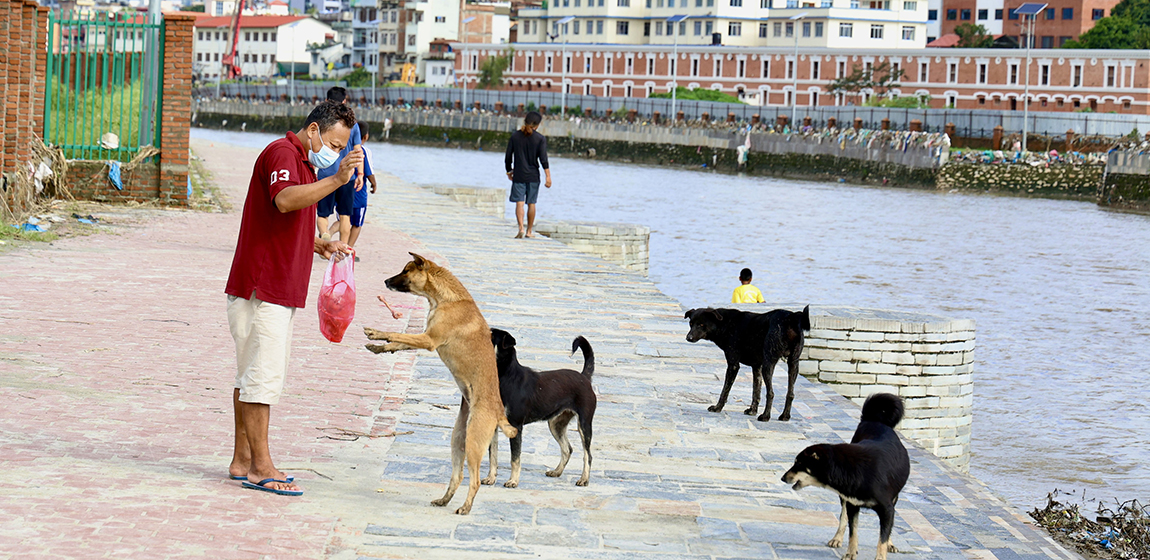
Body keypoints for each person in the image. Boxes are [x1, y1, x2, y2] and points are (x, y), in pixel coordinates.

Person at [224, 100, 363, 496]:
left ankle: (242, 460)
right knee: (261, 380)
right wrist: (337, 179)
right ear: (314, 130)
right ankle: (261, 467)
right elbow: (284, 200)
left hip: (274, 287)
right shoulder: (283, 153)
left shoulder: (305, 164)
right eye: (333, 144)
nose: (334, 153)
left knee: (250, 375)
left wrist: (318, 243)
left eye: (341, 148)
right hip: (262, 287)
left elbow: (286, 216)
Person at [316, 87, 366, 241]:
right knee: (345, 216)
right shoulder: (353, 125)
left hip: (325, 175)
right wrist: (361, 174)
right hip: (347, 175)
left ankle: (325, 235)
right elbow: (359, 152)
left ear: (326, 101)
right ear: (345, 101)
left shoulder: (320, 122)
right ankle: (343, 248)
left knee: (323, 214)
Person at [504, 111, 551, 239]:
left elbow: (508, 157)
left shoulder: (515, 136)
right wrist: (548, 176)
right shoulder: (540, 139)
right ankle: (529, 231)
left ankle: (520, 228)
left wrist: (509, 171)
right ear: (537, 125)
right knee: (531, 203)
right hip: (533, 176)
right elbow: (543, 159)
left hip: (519, 174)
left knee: (519, 203)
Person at [342, 121, 376, 250]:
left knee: (343, 219)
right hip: (359, 192)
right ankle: (348, 249)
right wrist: (374, 184)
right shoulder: (362, 151)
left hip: (345, 189)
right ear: (366, 136)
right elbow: (369, 172)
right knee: (357, 223)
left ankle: (327, 233)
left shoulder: (346, 148)